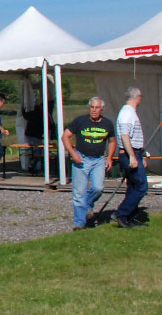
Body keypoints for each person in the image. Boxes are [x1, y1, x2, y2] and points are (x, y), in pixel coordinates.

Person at [61, 97, 116, 230]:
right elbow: (65, 136)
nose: (94, 110)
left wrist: (109, 157)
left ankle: (88, 204)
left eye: (97, 108)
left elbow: (112, 141)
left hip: (98, 159)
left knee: (98, 187)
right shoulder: (80, 121)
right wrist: (73, 153)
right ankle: (80, 224)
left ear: (102, 109)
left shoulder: (107, 124)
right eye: (92, 107)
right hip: (81, 158)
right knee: (79, 192)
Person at [113, 86, 148, 228]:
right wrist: (132, 157)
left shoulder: (129, 113)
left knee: (133, 186)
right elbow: (125, 136)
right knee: (141, 186)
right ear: (137, 97)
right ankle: (122, 213)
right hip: (129, 153)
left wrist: (142, 155)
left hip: (134, 152)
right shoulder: (127, 114)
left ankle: (131, 216)